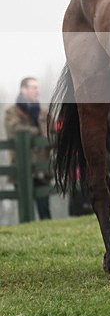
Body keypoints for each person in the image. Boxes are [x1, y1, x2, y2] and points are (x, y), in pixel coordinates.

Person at [4, 77, 51, 220]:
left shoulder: (43, 113)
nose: (37, 90)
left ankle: (47, 236)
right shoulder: (11, 112)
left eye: (37, 87)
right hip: (21, 168)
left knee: (44, 210)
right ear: (23, 89)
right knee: (25, 212)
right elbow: (15, 130)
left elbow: (52, 130)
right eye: (33, 87)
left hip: (42, 169)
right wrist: (37, 132)